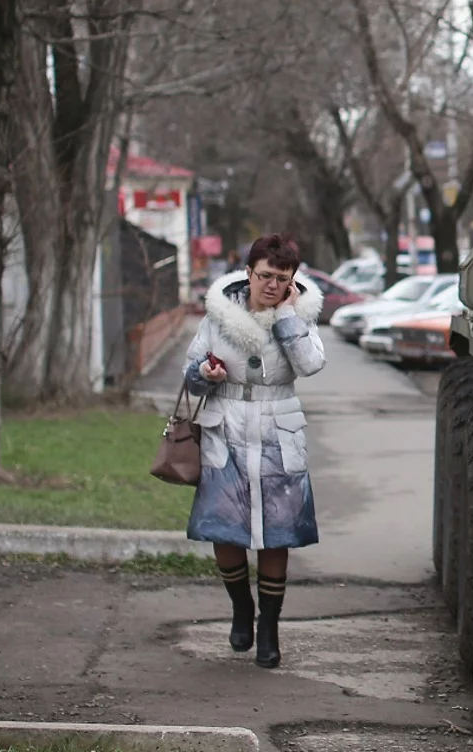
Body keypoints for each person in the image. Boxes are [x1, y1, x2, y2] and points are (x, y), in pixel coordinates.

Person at [183, 232, 325, 668]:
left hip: (277, 429)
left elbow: (310, 364)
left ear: (292, 281)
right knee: (224, 529)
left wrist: (286, 316)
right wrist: (204, 374)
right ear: (249, 272)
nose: (271, 284)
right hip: (224, 428)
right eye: (265, 275)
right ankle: (241, 608)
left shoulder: (299, 315)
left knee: (275, 534)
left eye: (281, 278)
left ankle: (269, 627)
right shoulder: (219, 314)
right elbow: (190, 377)